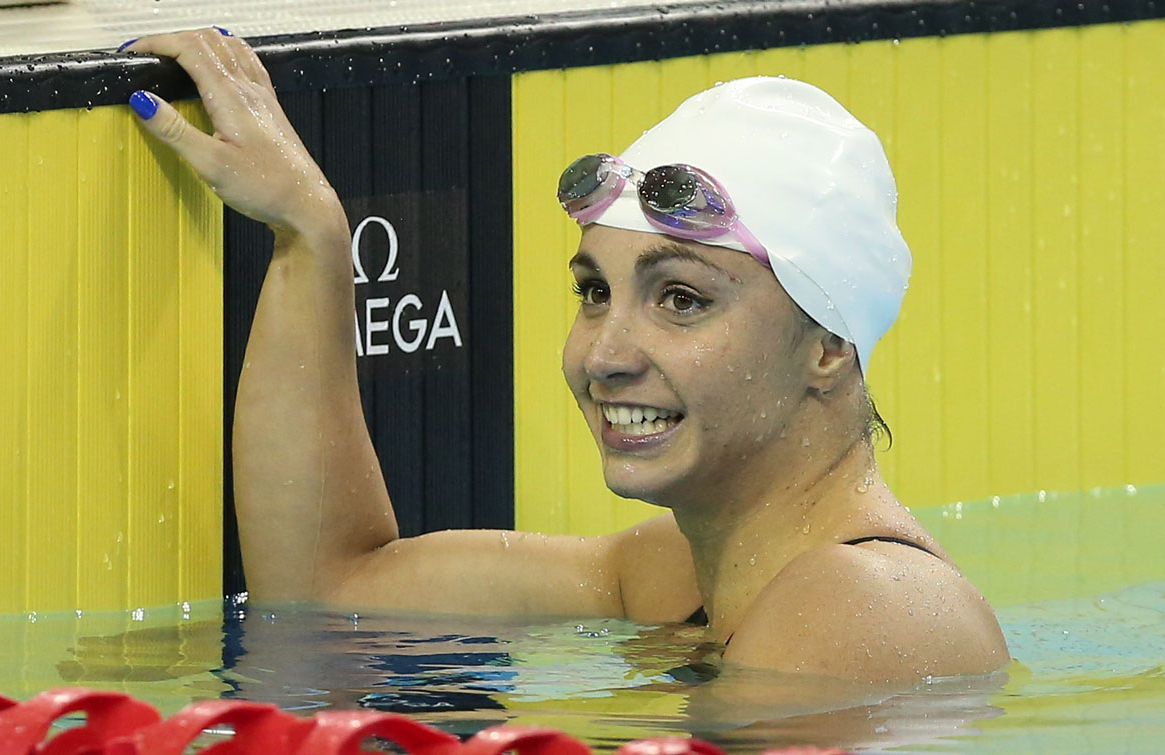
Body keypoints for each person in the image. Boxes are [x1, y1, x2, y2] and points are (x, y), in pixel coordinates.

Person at [121, 28, 1009, 682]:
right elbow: (333, 586)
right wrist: (311, 235)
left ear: (826, 345)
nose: (606, 354)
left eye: (682, 299)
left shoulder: (858, 611)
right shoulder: (677, 573)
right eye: (594, 291)